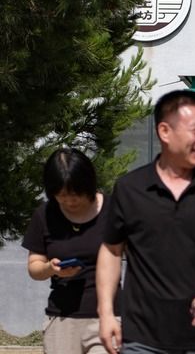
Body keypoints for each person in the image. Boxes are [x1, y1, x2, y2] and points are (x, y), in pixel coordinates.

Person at [96, 90, 195, 354]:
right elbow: (111, 250)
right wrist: (106, 312)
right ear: (165, 131)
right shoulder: (130, 189)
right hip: (141, 336)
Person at [22, 148, 115, 354]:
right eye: (62, 196)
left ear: (88, 184)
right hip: (62, 318)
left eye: (76, 194)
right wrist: (50, 268)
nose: (70, 201)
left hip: (107, 316)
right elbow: (34, 267)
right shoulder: (44, 214)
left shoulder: (113, 210)